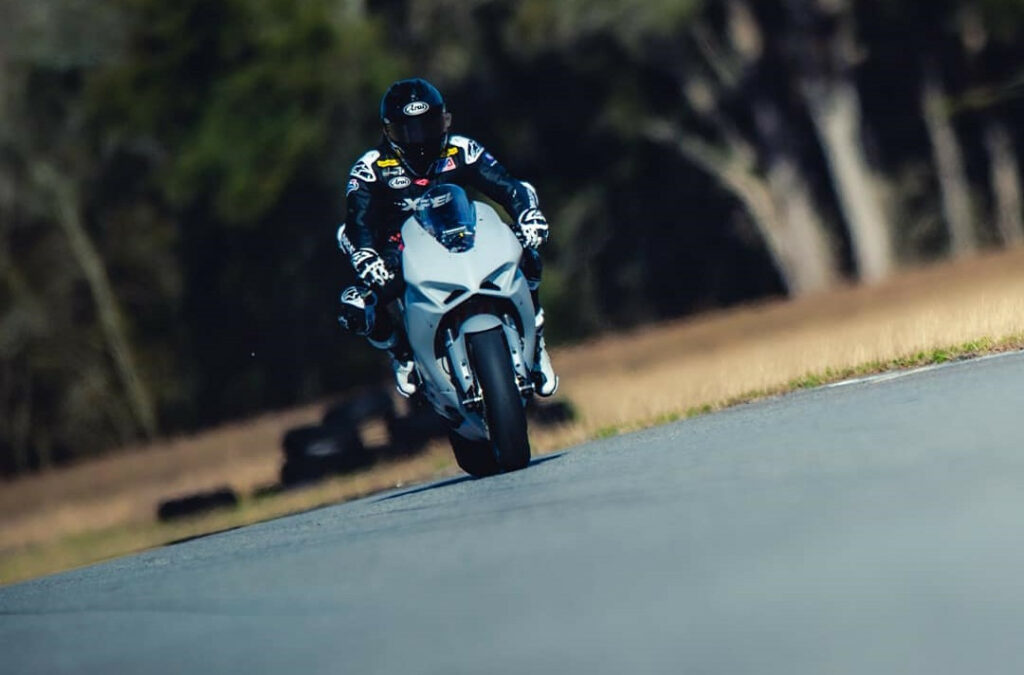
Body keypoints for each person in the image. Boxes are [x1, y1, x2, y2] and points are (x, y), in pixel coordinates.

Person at [336, 77, 557, 398]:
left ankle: (535, 338)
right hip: (402, 249)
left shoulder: (461, 148)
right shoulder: (371, 168)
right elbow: (357, 221)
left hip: (463, 233)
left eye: (428, 126)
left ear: (445, 120)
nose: (421, 140)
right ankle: (401, 354)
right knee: (356, 305)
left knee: (527, 252)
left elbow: (509, 186)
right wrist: (366, 254)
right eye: (409, 131)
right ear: (389, 132)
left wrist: (528, 215)